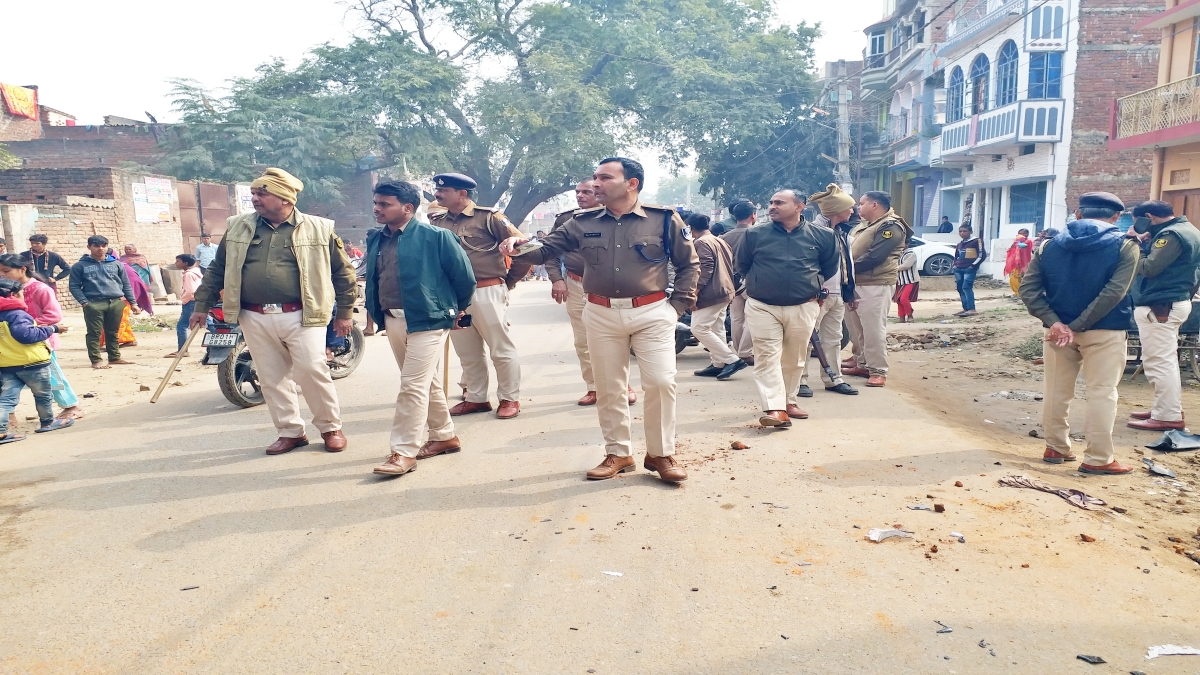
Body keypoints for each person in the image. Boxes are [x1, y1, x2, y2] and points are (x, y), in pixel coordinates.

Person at [500, 157, 698, 483]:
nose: (595, 184)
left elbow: (689, 265)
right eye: (594, 177)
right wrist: (519, 245)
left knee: (662, 382)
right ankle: (618, 453)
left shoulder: (663, 220)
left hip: (652, 312)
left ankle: (660, 453)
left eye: (604, 178)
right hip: (600, 312)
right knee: (609, 387)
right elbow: (545, 249)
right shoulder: (582, 222)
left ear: (631, 183)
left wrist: (677, 307)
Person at [190, 167, 357, 456]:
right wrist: (201, 305)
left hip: (304, 314)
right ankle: (291, 432)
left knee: (312, 370)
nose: (255, 198)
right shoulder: (237, 225)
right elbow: (218, 269)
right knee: (271, 376)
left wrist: (345, 312)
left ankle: (330, 428)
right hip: (253, 315)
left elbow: (343, 273)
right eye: (254, 193)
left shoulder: (320, 227)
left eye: (262, 193)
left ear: (285, 199)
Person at [1019, 192, 1138, 474]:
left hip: (1057, 332)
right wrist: (1078, 325)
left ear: (1078, 214)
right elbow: (1114, 293)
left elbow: (1028, 290)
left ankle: (1055, 446)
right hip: (1105, 330)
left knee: (1056, 390)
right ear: (1116, 217)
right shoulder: (1125, 246)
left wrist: (1057, 323)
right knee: (1102, 392)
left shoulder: (1048, 246)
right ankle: (1098, 458)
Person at [364, 181, 477, 476]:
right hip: (392, 318)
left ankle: (403, 451)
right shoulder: (376, 238)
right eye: (376, 203)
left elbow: (464, 279)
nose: (377, 209)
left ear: (408, 208)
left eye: (384, 204)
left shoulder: (437, 237)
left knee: (411, 385)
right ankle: (444, 436)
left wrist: (453, 310)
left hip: (429, 320)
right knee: (425, 382)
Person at [428, 173, 531, 419]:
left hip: (487, 290)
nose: (437, 194)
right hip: (454, 297)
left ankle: (509, 398)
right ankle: (476, 398)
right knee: (467, 351)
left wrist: (508, 283)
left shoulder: (489, 218)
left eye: (444, 190)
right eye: (437, 190)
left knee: (500, 348)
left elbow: (523, 248)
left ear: (462, 194)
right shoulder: (439, 222)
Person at [736, 189, 838, 428]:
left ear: (799, 206)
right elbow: (742, 264)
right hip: (763, 306)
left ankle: (789, 401)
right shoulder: (755, 234)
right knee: (767, 357)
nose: (772, 206)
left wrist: (811, 286)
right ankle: (775, 408)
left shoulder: (823, 236)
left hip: (804, 305)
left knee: (795, 358)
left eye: (779, 202)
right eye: (771, 202)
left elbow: (829, 267)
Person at [547, 181, 639, 406]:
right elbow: (549, 251)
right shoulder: (567, 219)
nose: (580, 196)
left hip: (610, 287)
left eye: (586, 192)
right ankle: (594, 387)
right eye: (577, 192)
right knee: (583, 340)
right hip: (577, 284)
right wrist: (557, 279)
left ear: (599, 193)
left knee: (616, 338)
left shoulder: (619, 216)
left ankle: (622, 385)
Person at [1125, 200, 1200, 431]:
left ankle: (1168, 416)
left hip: (1161, 305)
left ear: (1148, 216)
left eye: (1138, 221)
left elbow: (1149, 268)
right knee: (1163, 360)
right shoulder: (1187, 230)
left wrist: (1133, 243)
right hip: (1171, 302)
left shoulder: (1172, 235)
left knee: (1160, 362)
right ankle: (1165, 407)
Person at [0, 254, 83, 421]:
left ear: (22, 270)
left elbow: (54, 315)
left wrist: (28, 326)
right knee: (8, 380)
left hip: (40, 343)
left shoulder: (40, 289)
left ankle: (71, 406)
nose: (2, 275)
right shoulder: (5, 288)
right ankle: (9, 416)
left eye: (6, 271)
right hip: (11, 344)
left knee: (51, 376)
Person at [844, 191, 911, 387]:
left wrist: (846, 269)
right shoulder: (867, 225)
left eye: (862, 203)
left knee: (873, 329)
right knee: (858, 328)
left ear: (875, 205)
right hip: (857, 282)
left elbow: (876, 256)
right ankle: (863, 363)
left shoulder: (891, 226)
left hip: (875, 283)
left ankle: (878, 370)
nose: (858, 207)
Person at [800, 185, 859, 396]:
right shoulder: (811, 233)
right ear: (835, 210)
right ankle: (799, 381)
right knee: (806, 339)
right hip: (815, 296)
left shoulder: (843, 233)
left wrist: (850, 292)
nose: (853, 211)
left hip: (837, 295)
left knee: (833, 339)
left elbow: (848, 265)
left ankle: (834, 379)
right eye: (849, 207)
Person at [0, 277, 73, 443]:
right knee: (42, 395)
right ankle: (47, 422)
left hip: (6, 365)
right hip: (32, 364)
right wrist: (53, 328)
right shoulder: (17, 314)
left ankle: (0, 430)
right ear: (13, 295)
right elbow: (26, 335)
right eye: (21, 293)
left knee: (7, 398)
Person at [68, 235, 140, 369]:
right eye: (96, 246)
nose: (100, 249)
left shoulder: (116, 264)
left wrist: (133, 303)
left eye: (103, 246)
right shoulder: (80, 266)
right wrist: (84, 302)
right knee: (94, 333)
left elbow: (126, 284)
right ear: (89, 247)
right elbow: (74, 286)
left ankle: (114, 357)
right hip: (93, 303)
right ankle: (96, 360)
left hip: (116, 302)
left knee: (113, 331)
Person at [688, 214, 743, 380]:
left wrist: (694, 293)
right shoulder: (719, 240)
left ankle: (731, 360)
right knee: (715, 328)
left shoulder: (701, 242)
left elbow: (705, 269)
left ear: (689, 227)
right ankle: (718, 363)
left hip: (710, 292)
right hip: (724, 290)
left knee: (698, 328)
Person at [721, 200, 758, 365]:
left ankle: (738, 351)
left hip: (731, 282)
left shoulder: (724, 237)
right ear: (753, 215)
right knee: (754, 317)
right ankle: (745, 352)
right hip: (752, 282)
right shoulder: (758, 234)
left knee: (736, 319)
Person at [167, 254, 202, 357]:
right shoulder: (196, 272)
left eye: (178, 261)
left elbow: (191, 291)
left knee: (182, 326)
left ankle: (182, 350)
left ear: (185, 263)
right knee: (209, 323)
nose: (176, 263)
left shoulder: (188, 275)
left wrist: (184, 300)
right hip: (197, 301)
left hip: (190, 301)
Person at [952, 224, 987, 317]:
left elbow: (981, 255)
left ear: (970, 232)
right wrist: (955, 265)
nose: (962, 233)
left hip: (969, 269)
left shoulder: (976, 241)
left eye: (964, 231)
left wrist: (973, 265)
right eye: (960, 231)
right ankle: (965, 309)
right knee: (960, 288)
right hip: (958, 269)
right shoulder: (960, 244)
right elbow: (956, 256)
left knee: (966, 287)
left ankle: (972, 309)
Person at [1004, 228, 1032, 296]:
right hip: (1013, 263)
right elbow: (1010, 250)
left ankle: (1021, 293)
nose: (1022, 235)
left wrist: (1018, 244)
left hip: (1023, 263)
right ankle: (1017, 292)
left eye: (1024, 233)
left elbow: (1025, 249)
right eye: (1020, 233)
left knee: (1021, 278)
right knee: (1012, 278)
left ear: (1027, 234)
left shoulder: (1028, 241)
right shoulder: (1015, 242)